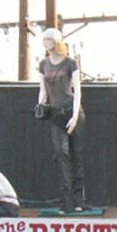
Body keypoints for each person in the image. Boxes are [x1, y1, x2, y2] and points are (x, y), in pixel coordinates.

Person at [37, 27, 86, 214]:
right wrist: (40, 105)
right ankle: (66, 202)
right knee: (61, 153)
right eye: (44, 39)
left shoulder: (70, 63)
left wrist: (74, 116)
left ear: (57, 41)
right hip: (55, 113)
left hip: (73, 112)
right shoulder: (43, 64)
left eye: (49, 39)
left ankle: (79, 199)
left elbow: (77, 90)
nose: (46, 42)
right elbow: (42, 89)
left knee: (77, 154)